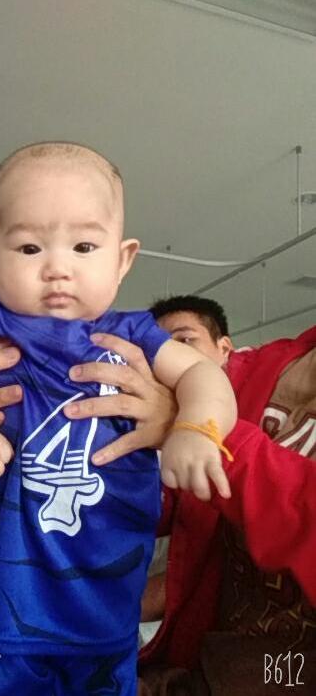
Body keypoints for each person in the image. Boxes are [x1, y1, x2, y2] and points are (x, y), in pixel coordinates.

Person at [0, 142, 237, 695]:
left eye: (83, 246)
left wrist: (195, 427)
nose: (57, 268)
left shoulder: (135, 335)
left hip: (108, 595)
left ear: (123, 260)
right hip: (8, 593)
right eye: (30, 247)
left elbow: (205, 376)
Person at [62, 295, 316, 694]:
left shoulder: (211, 400)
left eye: (184, 341)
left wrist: (201, 433)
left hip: (286, 674)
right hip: (199, 668)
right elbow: (180, 520)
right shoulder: (250, 373)